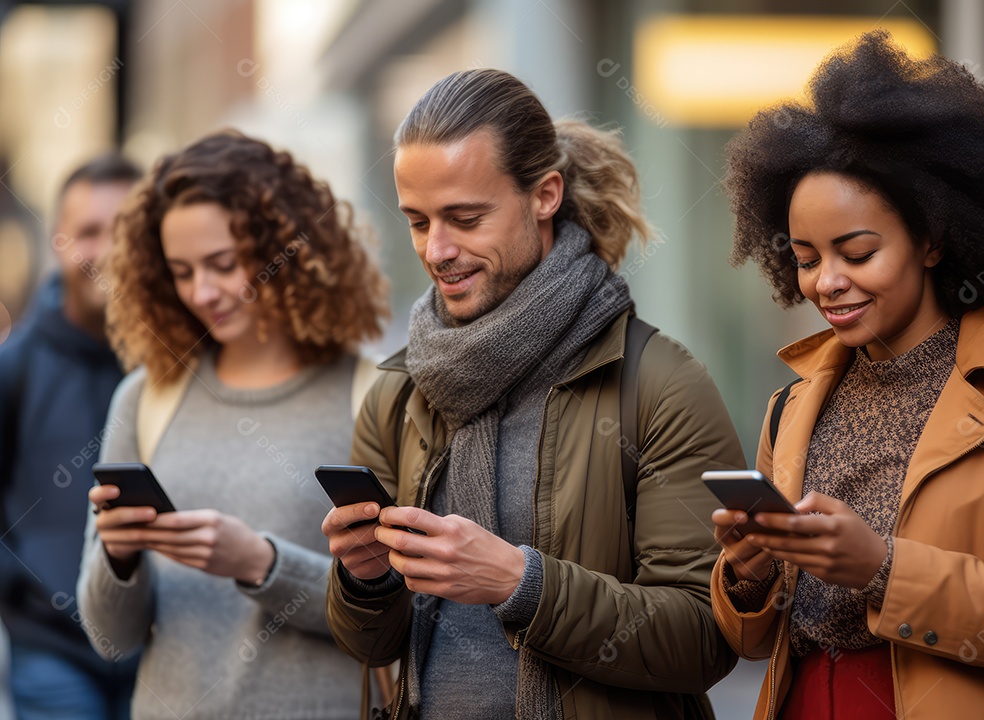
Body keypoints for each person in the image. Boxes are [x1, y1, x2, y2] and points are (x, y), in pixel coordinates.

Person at [322, 68, 744, 720]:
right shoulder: (399, 392)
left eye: (466, 218)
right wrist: (364, 578)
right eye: (417, 221)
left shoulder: (658, 385)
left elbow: (705, 637)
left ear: (545, 194)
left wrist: (520, 584)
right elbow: (370, 645)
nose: (437, 249)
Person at [712, 31, 984, 720]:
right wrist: (749, 572)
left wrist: (883, 568)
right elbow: (753, 642)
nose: (827, 282)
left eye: (856, 252)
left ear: (934, 238)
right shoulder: (789, 407)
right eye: (806, 257)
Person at [76, 130, 389, 719]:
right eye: (181, 271)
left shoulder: (369, 395)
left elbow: (399, 618)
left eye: (223, 264)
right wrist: (118, 557)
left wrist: (261, 565)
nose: (203, 292)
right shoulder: (146, 397)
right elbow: (112, 639)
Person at [0, 154, 141, 720]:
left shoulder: (177, 365)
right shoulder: (15, 368)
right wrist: (27, 588)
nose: (106, 251)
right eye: (88, 232)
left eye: (124, 232)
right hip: (52, 653)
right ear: (59, 243)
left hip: (157, 645)